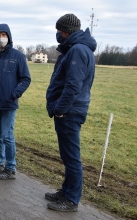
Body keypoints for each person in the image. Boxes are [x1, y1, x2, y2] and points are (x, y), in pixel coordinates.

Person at [45, 13, 97, 212]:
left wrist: (59, 109)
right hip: (71, 110)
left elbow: (73, 85)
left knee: (72, 157)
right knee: (67, 156)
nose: (57, 34)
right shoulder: (78, 49)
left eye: (59, 30)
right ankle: (66, 191)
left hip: (69, 112)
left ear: (65, 31)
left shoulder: (77, 50)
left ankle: (72, 199)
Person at [0, 24, 31, 180]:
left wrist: (14, 93)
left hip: (9, 103)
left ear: (8, 36)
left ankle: (10, 168)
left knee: (7, 136)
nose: (0, 38)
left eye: (3, 35)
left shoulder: (18, 56)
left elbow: (25, 79)